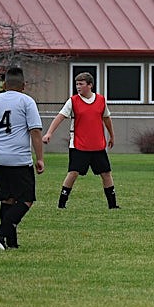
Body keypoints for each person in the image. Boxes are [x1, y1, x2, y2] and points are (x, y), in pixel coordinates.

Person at [0, 67, 45, 250]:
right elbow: (35, 131)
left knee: (7, 200)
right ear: (23, 85)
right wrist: (40, 158)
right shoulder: (27, 101)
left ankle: (11, 242)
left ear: (4, 85)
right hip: (19, 159)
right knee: (26, 200)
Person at [42, 72, 119, 210]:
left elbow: (106, 118)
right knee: (73, 173)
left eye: (81, 84)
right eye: (76, 84)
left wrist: (112, 136)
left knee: (106, 173)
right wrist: (49, 133)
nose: (78, 87)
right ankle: (62, 204)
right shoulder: (73, 101)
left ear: (90, 85)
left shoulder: (101, 100)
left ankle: (112, 205)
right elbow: (60, 117)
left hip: (97, 146)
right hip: (78, 145)